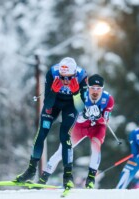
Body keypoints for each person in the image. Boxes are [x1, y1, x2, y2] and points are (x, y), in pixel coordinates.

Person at [15, 57, 87, 189]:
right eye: (62, 77)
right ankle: (31, 171)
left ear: (74, 74)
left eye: (69, 77)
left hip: (71, 105)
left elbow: (80, 108)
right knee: (41, 132)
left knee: (65, 136)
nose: (65, 81)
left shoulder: (82, 76)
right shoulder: (52, 73)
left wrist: (76, 93)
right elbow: (48, 103)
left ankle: (68, 176)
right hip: (54, 103)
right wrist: (53, 91)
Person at [37, 74, 114, 189]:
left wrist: (99, 116)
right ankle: (44, 177)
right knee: (63, 149)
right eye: (92, 87)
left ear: (102, 89)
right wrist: (84, 115)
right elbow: (74, 116)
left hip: (97, 127)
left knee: (96, 147)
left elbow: (105, 121)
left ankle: (90, 179)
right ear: (88, 87)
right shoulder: (81, 95)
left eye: (98, 89)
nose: (95, 91)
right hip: (81, 125)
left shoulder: (108, 99)